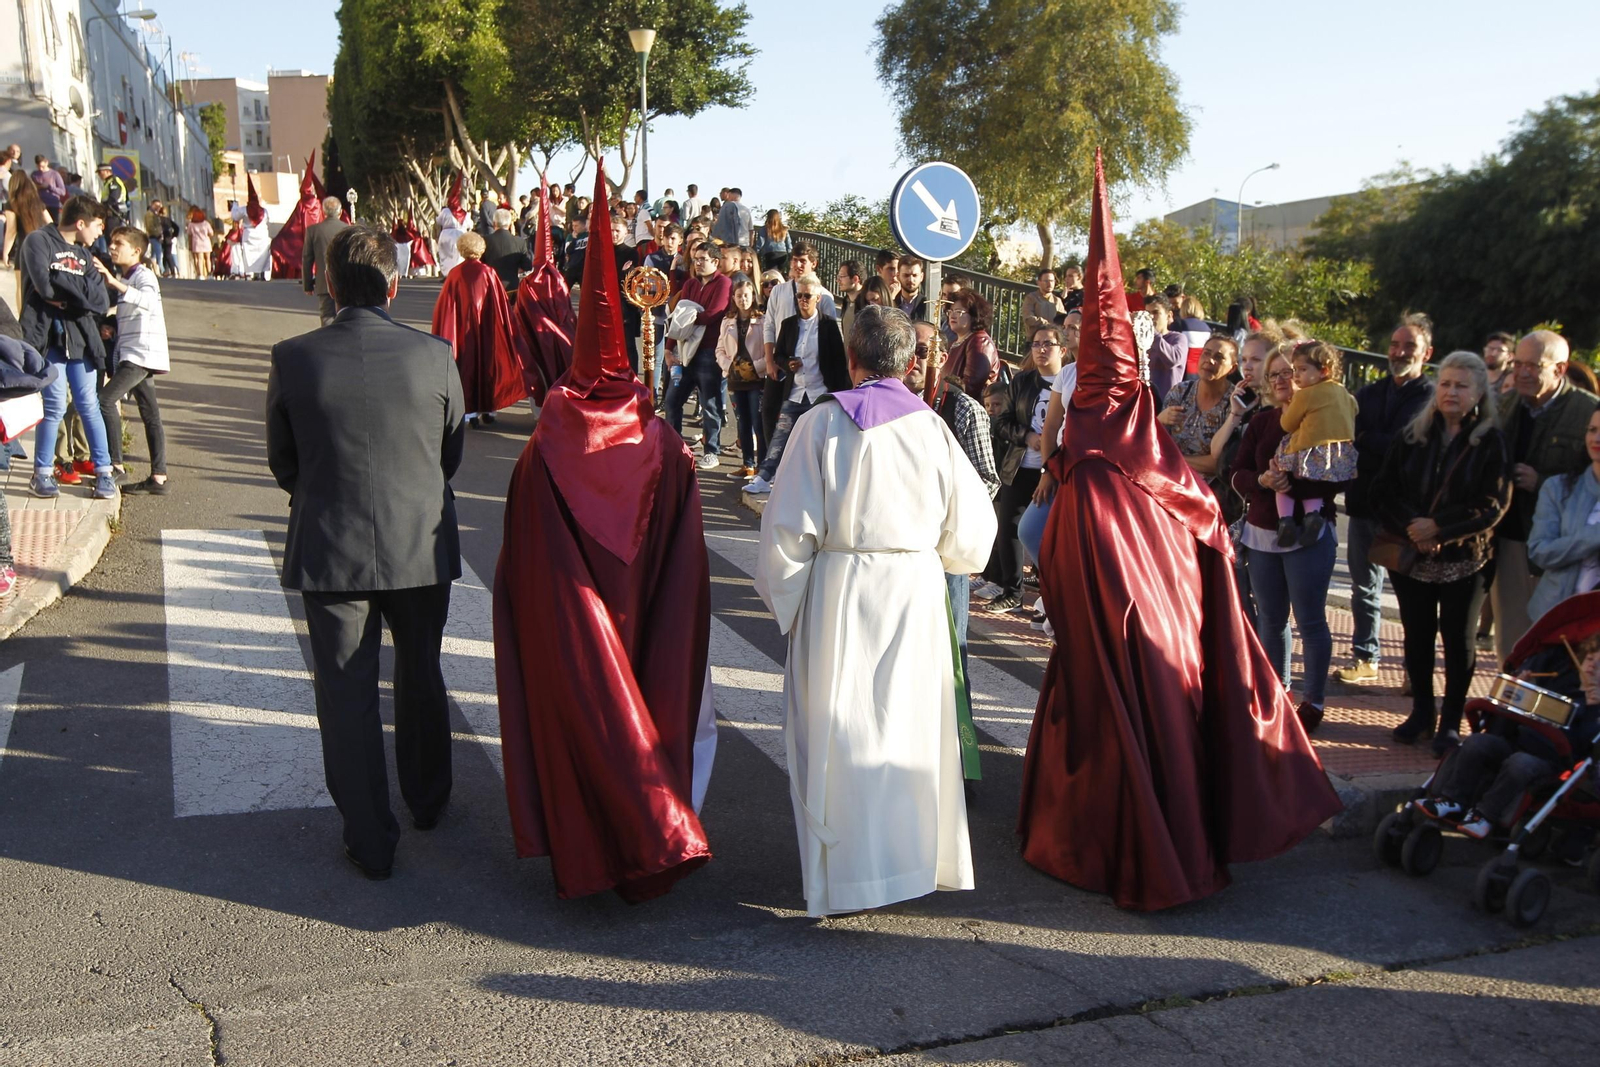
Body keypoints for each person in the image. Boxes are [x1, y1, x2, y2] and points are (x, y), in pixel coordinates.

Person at [1018, 152, 1340, 912]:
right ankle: (1185, 833)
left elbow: (1059, 569)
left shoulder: (1085, 472)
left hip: (1114, 650)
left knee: (1118, 745)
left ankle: (1136, 849)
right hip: (1168, 648)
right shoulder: (1157, 461)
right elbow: (1209, 539)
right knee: (1162, 735)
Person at [493, 165, 717, 902]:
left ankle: (585, 850)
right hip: (645, 612)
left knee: (577, 722)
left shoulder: (541, 450)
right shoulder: (668, 449)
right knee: (643, 707)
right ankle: (651, 837)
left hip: (570, 626)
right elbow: (687, 573)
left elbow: (519, 563)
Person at [756, 304, 996, 916]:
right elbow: (973, 531)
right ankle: (912, 862)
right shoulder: (933, 429)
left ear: (852, 359)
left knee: (842, 726)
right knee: (908, 727)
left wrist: (789, 600)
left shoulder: (821, 426)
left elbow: (787, 534)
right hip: (915, 588)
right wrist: (934, 557)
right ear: (910, 362)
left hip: (842, 589)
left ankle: (848, 877)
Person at [266, 226, 465, 880]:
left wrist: (327, 495)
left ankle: (370, 838)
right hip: (418, 539)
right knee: (420, 671)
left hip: (331, 543)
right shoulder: (435, 355)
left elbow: (283, 461)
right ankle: (428, 798)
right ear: (395, 284)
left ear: (328, 283)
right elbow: (450, 454)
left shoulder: (293, 356)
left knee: (347, 693)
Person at [1372, 352, 1511, 753]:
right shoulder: (1414, 432)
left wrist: (1442, 530)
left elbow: (1493, 504)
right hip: (1412, 556)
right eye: (1446, 384)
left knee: (1458, 641)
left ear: (1479, 392)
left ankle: (1451, 720)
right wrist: (1415, 528)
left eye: (1461, 385)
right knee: (1417, 637)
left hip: (1466, 559)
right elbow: (1383, 489)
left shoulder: (1490, 441)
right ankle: (1421, 712)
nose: (1451, 392)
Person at [1230, 345, 1346, 731]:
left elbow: (1336, 476)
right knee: (1272, 620)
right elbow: (1237, 472)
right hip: (1262, 533)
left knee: (1311, 620)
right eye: (1275, 375)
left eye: (1289, 372)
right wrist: (1262, 481)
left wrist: (1292, 483)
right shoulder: (1262, 422)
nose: (1282, 380)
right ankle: (1276, 692)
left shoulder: (1323, 418)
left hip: (1309, 535)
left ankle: (1313, 701)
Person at [1422, 634, 1600, 840]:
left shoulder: (1595, 707)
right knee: (1477, 743)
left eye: (1599, 664)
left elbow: (1588, 745)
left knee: (1519, 763)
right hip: (1516, 742)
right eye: (1589, 659)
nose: (1592, 667)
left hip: (1551, 760)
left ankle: (1485, 815)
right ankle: (1453, 800)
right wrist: (1519, 691)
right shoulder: (1559, 683)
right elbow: (1510, 717)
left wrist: (1593, 711)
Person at [1337, 316, 1436, 686]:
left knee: (1411, 595)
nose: (1399, 352)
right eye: (1395, 345)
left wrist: (1367, 438)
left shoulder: (1429, 396)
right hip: (1364, 504)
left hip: (1404, 511)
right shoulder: (1371, 393)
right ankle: (1366, 657)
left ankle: (1415, 670)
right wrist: (1369, 438)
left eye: (1409, 346)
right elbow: (1349, 432)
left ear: (1427, 353)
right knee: (1363, 587)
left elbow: (1405, 441)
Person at [1491, 331, 1598, 660]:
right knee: (1511, 640)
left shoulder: (1587, 413)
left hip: (1564, 548)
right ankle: (1511, 705)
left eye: (1534, 366)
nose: (1522, 373)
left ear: (1560, 369)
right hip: (1507, 535)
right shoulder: (1504, 404)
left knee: (1557, 640)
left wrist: (1542, 482)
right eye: (1518, 364)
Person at [17, 195, 117, 500]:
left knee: (89, 404)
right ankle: (42, 473)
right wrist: (80, 292)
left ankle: (104, 474)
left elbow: (100, 301)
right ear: (81, 222)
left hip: (81, 339)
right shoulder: (39, 241)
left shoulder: (86, 255)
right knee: (55, 406)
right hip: (50, 339)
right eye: (98, 226)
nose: (101, 233)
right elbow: (43, 286)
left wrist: (67, 291)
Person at [979, 323, 1063, 611]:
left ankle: (1050, 595)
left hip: (1056, 473)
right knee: (1008, 529)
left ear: (1062, 349)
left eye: (1048, 344)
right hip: (1021, 465)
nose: (1040, 349)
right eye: (1036, 344)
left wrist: (1052, 465)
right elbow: (1002, 422)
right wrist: (1027, 436)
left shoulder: (1073, 383)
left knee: (1046, 533)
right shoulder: (1022, 382)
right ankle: (1012, 592)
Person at [744, 273, 848, 495]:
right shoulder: (789, 324)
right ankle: (764, 477)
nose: (802, 300)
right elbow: (780, 353)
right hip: (796, 391)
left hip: (820, 392)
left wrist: (841, 394)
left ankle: (817, 485)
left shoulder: (828, 326)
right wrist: (786, 363)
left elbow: (838, 361)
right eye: (799, 295)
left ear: (818, 298)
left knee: (817, 441)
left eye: (807, 296)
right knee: (780, 435)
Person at [94, 226, 171, 495]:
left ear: (136, 251)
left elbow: (149, 301)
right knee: (150, 414)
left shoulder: (143, 275)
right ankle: (159, 477)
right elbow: (132, 311)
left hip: (141, 353)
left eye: (119, 243)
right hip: (135, 351)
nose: (112, 247)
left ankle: (115, 466)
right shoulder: (128, 277)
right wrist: (112, 324)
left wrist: (114, 283)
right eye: (112, 242)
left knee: (104, 400)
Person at [432, 232, 527, 428]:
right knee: (488, 365)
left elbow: (446, 307)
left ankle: (470, 413)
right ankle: (489, 410)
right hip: (486, 328)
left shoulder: (455, 274)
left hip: (462, 330)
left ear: (461, 249)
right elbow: (500, 306)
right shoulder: (488, 273)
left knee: (466, 366)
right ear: (481, 249)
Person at [1271, 341, 1358, 547]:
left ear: (1323, 371)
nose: (1296, 375)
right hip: (1338, 454)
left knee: (1282, 474)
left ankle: (1286, 519)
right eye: (1295, 370)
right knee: (1316, 487)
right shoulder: (1344, 392)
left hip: (1308, 451)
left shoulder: (1305, 394)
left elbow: (1287, 423)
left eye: (1302, 369)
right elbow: (1354, 409)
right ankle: (1312, 515)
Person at [1526, 407, 1600, 622]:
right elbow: (1540, 551)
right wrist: (1593, 537)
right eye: (1592, 429)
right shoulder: (1558, 488)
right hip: (1558, 618)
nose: (1597, 438)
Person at [664, 241, 731, 469]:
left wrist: (688, 315)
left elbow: (712, 315)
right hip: (683, 352)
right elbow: (677, 317)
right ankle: (674, 446)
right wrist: (668, 347)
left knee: (710, 403)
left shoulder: (724, 283)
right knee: (672, 400)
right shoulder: (691, 284)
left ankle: (712, 450)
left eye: (703, 259)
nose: (699, 263)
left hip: (709, 352)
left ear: (715, 261)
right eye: (696, 259)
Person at [512, 178, 576, 406]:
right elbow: (567, 312)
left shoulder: (529, 282)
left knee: (539, 373)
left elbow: (521, 312)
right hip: (561, 338)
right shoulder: (557, 279)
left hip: (537, 337)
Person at [1158, 334, 1236, 475]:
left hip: (1207, 488)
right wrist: (1159, 420)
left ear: (1232, 368)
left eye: (1219, 357)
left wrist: (1172, 458)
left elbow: (1217, 464)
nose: (1210, 360)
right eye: (1206, 353)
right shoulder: (1180, 391)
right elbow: (1154, 442)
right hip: (1169, 476)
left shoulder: (1234, 404)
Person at [716, 273, 766, 475]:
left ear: (753, 296)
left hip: (756, 380)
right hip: (735, 379)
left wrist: (757, 366)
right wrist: (729, 365)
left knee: (758, 421)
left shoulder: (762, 320)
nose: (743, 299)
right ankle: (747, 464)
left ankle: (762, 465)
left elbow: (769, 348)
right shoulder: (728, 321)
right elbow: (719, 349)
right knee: (742, 422)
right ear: (733, 298)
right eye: (739, 296)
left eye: (746, 295)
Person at [302, 196, 349, 326]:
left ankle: (329, 343)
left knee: (327, 316)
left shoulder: (313, 231)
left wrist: (308, 284)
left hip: (324, 282)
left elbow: (307, 258)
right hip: (346, 282)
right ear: (340, 212)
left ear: (323, 212)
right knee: (346, 316)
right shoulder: (348, 230)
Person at [943, 288, 998, 397]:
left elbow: (971, 386)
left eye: (958, 311)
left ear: (974, 315)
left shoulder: (979, 342)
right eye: (951, 311)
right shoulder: (955, 342)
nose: (952, 315)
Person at [1142, 294, 1187, 405]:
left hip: (1168, 403)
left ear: (1168, 315)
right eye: (1147, 314)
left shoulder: (1178, 338)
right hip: (1146, 402)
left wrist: (1153, 333)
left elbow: (1173, 359)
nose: (1151, 317)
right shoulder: (1142, 340)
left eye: (1155, 312)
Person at [3, 170, 49, 267]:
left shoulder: (11, 204)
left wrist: (6, 252)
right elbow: (50, 223)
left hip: (24, 250)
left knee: (21, 282)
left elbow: (11, 230)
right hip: (41, 249)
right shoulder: (38, 203)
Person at [483, 207, 532, 294]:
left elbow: (481, 264)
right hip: (512, 288)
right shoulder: (520, 242)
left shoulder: (485, 241)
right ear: (509, 224)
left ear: (494, 223)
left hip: (490, 286)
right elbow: (527, 266)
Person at [436, 177, 470, 277]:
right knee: (458, 256)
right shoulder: (465, 213)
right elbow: (470, 225)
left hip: (446, 234)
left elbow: (438, 221)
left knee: (446, 255)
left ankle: (447, 273)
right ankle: (458, 273)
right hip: (460, 234)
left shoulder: (445, 211)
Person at [754, 208, 791, 274]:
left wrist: (756, 252)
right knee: (779, 274)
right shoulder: (784, 229)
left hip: (770, 254)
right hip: (783, 254)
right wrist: (790, 254)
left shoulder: (764, 229)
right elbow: (789, 244)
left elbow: (761, 242)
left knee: (771, 274)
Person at [1483, 330, 1516, 395]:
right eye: (1490, 348)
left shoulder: (1511, 379)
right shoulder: (1475, 376)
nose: (1493, 353)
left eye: (1499, 350)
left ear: (1510, 356)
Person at [895, 256, 926, 321]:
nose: (911, 280)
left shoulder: (928, 305)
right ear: (898, 276)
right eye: (906, 275)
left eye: (915, 275)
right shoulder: (892, 304)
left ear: (921, 277)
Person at [186, 207, 213, 280]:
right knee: (207, 259)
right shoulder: (206, 223)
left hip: (197, 243)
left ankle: (200, 274)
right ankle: (209, 274)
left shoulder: (191, 224)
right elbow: (211, 233)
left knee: (200, 259)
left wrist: (190, 245)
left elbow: (189, 235)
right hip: (206, 242)